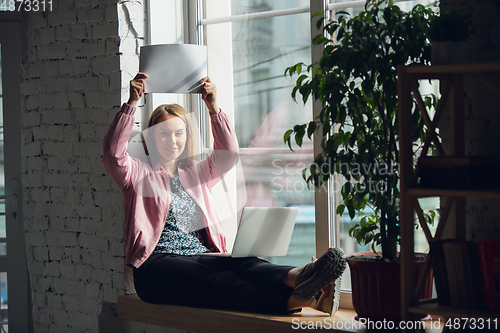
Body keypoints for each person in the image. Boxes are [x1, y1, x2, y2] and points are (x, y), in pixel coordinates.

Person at [101, 73, 346, 315]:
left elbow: (228, 153)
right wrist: (131, 103)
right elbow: (113, 154)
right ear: (152, 136)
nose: (172, 140)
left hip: (199, 255)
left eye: (179, 133)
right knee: (219, 280)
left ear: (187, 136)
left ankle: (306, 278)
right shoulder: (137, 174)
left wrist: (213, 107)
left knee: (247, 264)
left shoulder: (194, 174)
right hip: (156, 266)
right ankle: (296, 299)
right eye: (164, 132)